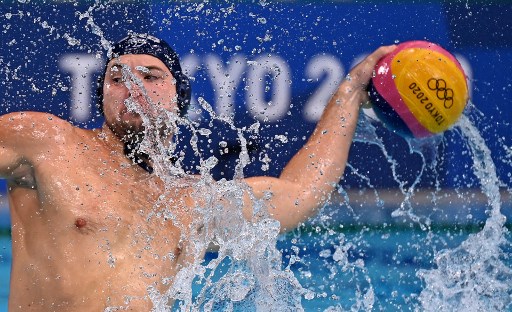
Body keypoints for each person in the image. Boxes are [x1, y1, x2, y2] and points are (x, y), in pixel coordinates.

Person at [0, 33, 395, 311]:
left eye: (151, 77)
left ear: (179, 97)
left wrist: (350, 92)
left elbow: (299, 191)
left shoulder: (190, 203)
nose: (132, 85)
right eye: (116, 78)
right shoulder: (49, 142)